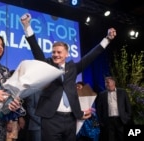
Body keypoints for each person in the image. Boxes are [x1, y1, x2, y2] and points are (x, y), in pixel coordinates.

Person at [20, 13, 116, 141]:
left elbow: (92, 55)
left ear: (66, 54)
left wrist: (107, 39)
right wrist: (27, 26)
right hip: (50, 119)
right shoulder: (47, 65)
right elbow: (36, 49)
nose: (55, 54)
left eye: (59, 52)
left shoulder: (73, 68)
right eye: (53, 52)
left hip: (71, 119)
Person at [96, 76, 132, 141]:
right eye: (105, 82)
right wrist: (101, 121)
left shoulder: (122, 92)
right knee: (110, 138)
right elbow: (99, 109)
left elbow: (128, 106)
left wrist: (127, 117)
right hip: (108, 121)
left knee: (122, 137)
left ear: (113, 83)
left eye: (107, 82)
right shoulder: (102, 94)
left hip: (121, 120)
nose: (106, 84)